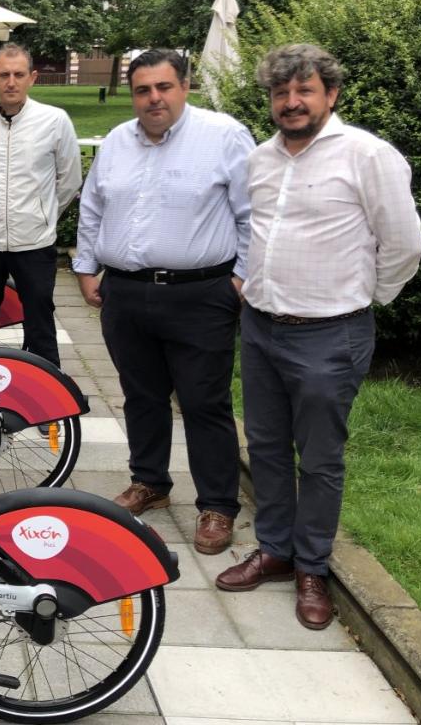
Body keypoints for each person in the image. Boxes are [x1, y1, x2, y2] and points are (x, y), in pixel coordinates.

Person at [216, 44, 421, 629]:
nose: (292, 101)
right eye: (281, 93)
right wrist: (249, 281)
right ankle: (276, 550)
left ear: (330, 94)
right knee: (267, 447)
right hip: (260, 327)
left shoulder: (367, 156)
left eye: (304, 90)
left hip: (330, 334)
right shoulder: (260, 159)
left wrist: (365, 296)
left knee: (321, 459)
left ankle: (313, 568)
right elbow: (254, 230)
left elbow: (404, 244)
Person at [73, 48, 255, 555]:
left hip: (201, 294)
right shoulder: (115, 142)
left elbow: (254, 215)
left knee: (204, 402)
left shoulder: (224, 137)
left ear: (184, 87)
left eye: (163, 87)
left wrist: (240, 281)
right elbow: (93, 207)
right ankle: (150, 481)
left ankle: (217, 504)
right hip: (126, 293)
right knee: (142, 396)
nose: (154, 98)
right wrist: (87, 266)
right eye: (143, 90)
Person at [0, 43, 81, 367]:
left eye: (18, 74)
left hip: (34, 243)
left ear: (32, 78)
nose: (11, 82)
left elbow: (70, 179)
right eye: (4, 75)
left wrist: (43, 215)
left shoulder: (55, 121)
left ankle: (50, 404)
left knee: (40, 326)